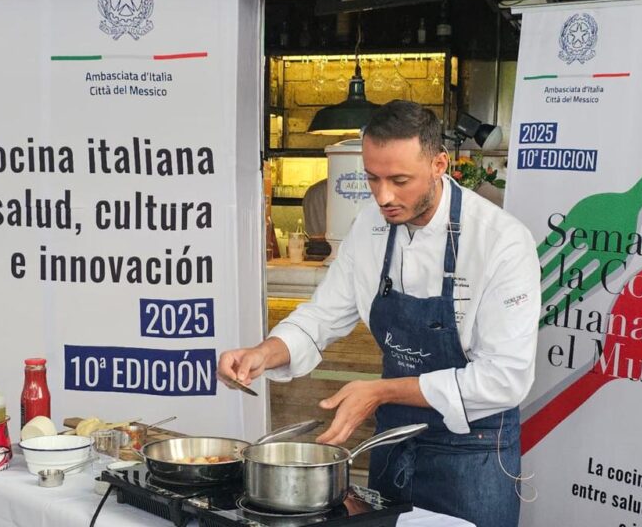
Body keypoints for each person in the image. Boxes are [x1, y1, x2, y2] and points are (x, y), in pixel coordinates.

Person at [218, 100, 540, 527]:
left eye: (399, 180)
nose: (384, 196)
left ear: (439, 164)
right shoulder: (370, 225)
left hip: (473, 450)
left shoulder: (501, 242)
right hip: (393, 441)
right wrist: (264, 352)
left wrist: (381, 391)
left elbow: (505, 378)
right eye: (372, 178)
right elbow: (322, 316)